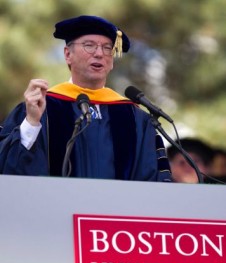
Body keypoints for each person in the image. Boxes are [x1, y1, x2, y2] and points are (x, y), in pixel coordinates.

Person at [0, 15, 171, 182]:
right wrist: (31, 123)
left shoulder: (135, 117)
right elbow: (11, 172)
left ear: (111, 61)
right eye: (89, 45)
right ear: (68, 55)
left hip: (118, 210)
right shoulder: (40, 108)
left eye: (107, 48)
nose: (99, 54)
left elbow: (152, 181)